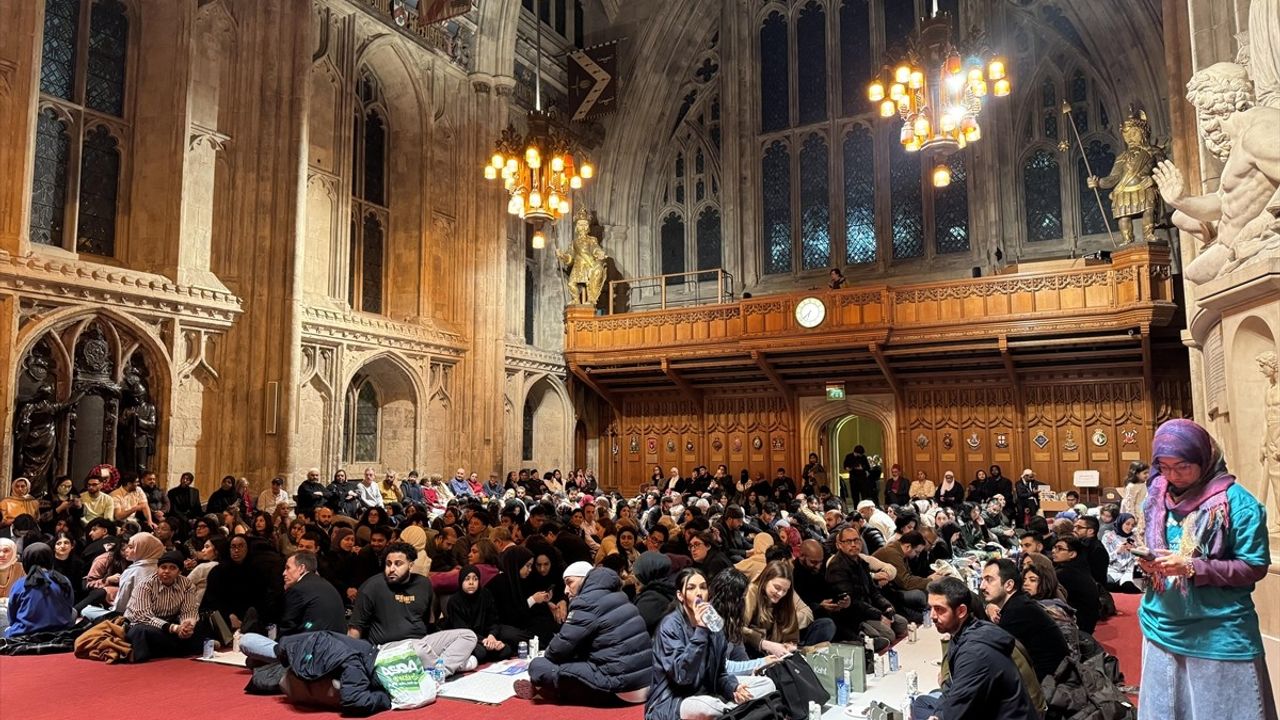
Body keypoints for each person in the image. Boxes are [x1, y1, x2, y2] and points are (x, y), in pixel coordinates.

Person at [1135, 419, 1277, 720]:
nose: (1172, 475)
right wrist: (1149, 564)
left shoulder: (1236, 503)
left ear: (1204, 458)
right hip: (1161, 624)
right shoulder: (1156, 496)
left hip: (1218, 633)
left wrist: (1192, 567)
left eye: (1183, 466)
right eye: (1164, 466)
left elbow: (1253, 566)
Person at [645, 568, 775, 720]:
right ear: (680, 596)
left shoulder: (714, 622)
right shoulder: (669, 626)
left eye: (703, 587)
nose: (699, 593)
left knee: (767, 685)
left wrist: (734, 687)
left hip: (709, 692)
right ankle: (737, 711)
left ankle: (733, 711)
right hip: (674, 700)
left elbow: (721, 673)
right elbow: (682, 676)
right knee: (706, 707)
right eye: (691, 588)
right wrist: (700, 630)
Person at [518, 562, 652, 705]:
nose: (566, 590)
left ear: (584, 579)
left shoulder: (586, 601)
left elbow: (557, 650)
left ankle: (548, 690)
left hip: (620, 689)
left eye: (570, 583)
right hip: (646, 684)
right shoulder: (620, 595)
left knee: (539, 666)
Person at [912, 577, 1039, 720]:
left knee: (922, 708)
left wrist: (939, 717)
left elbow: (957, 713)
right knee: (921, 703)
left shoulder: (975, 653)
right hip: (985, 707)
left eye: (939, 609)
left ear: (961, 611)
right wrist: (937, 715)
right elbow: (950, 686)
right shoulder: (966, 632)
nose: (932, 616)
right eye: (931, 608)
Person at [347, 541, 477, 676]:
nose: (391, 569)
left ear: (410, 565)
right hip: (387, 648)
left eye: (398, 564)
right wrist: (351, 662)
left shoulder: (423, 583)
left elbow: (429, 622)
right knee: (420, 650)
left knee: (468, 636)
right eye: (388, 564)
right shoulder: (372, 586)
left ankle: (438, 672)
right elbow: (354, 630)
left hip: (421, 642)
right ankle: (449, 665)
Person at [979, 558, 1069, 681]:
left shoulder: (1017, 611)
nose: (982, 586)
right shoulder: (1018, 604)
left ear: (1009, 585)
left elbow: (995, 657)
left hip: (1049, 686)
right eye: (982, 580)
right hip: (1050, 678)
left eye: (989, 580)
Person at [826, 526, 908, 651]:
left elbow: (874, 591)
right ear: (839, 545)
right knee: (889, 635)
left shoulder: (861, 561)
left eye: (856, 540)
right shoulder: (836, 567)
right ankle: (861, 637)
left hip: (870, 609)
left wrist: (886, 607)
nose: (853, 544)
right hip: (854, 616)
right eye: (848, 541)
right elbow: (853, 602)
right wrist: (879, 615)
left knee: (902, 624)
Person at [741, 559, 834, 655]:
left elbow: (804, 617)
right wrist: (764, 643)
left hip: (778, 647)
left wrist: (789, 644)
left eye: (785, 590)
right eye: (776, 588)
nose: (780, 594)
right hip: (754, 648)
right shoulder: (752, 591)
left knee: (826, 625)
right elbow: (738, 628)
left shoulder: (786, 598)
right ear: (765, 581)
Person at [123, 550, 202, 662]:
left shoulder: (187, 584)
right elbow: (143, 616)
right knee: (140, 632)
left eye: (172, 568)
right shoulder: (146, 585)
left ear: (179, 571)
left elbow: (189, 610)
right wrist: (173, 628)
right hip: (146, 624)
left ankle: (173, 649)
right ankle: (182, 649)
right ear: (158, 569)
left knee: (199, 625)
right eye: (163, 567)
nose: (166, 571)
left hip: (171, 626)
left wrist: (186, 626)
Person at [442, 564, 512, 665]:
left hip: (485, 638)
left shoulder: (485, 595)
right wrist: (485, 641)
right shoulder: (454, 601)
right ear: (461, 581)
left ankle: (483, 654)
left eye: (475, 579)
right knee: (481, 652)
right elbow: (463, 631)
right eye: (467, 579)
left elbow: (494, 620)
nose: (471, 583)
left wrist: (492, 637)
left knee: (506, 649)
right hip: (464, 639)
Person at [4, 543, 75, 637]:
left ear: (26, 561)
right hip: (60, 631)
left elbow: (12, 618)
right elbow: (69, 605)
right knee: (74, 612)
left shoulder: (20, 584)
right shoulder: (63, 580)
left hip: (24, 634)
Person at [872, 531, 939, 624]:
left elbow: (908, 577)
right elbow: (905, 582)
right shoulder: (892, 554)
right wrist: (930, 580)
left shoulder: (899, 552)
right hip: (884, 594)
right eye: (916, 552)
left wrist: (928, 579)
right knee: (920, 595)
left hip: (892, 591)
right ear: (908, 547)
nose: (917, 555)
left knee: (923, 595)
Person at [1049, 536, 1099, 633]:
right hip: (1087, 623)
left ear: (1072, 554)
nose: (1054, 551)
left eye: (1060, 549)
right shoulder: (1080, 566)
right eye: (1054, 547)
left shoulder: (1065, 573)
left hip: (1078, 625)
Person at [633, 551, 676, 634]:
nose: (636, 580)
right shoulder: (664, 588)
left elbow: (635, 627)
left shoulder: (652, 599)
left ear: (646, 572)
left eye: (638, 574)